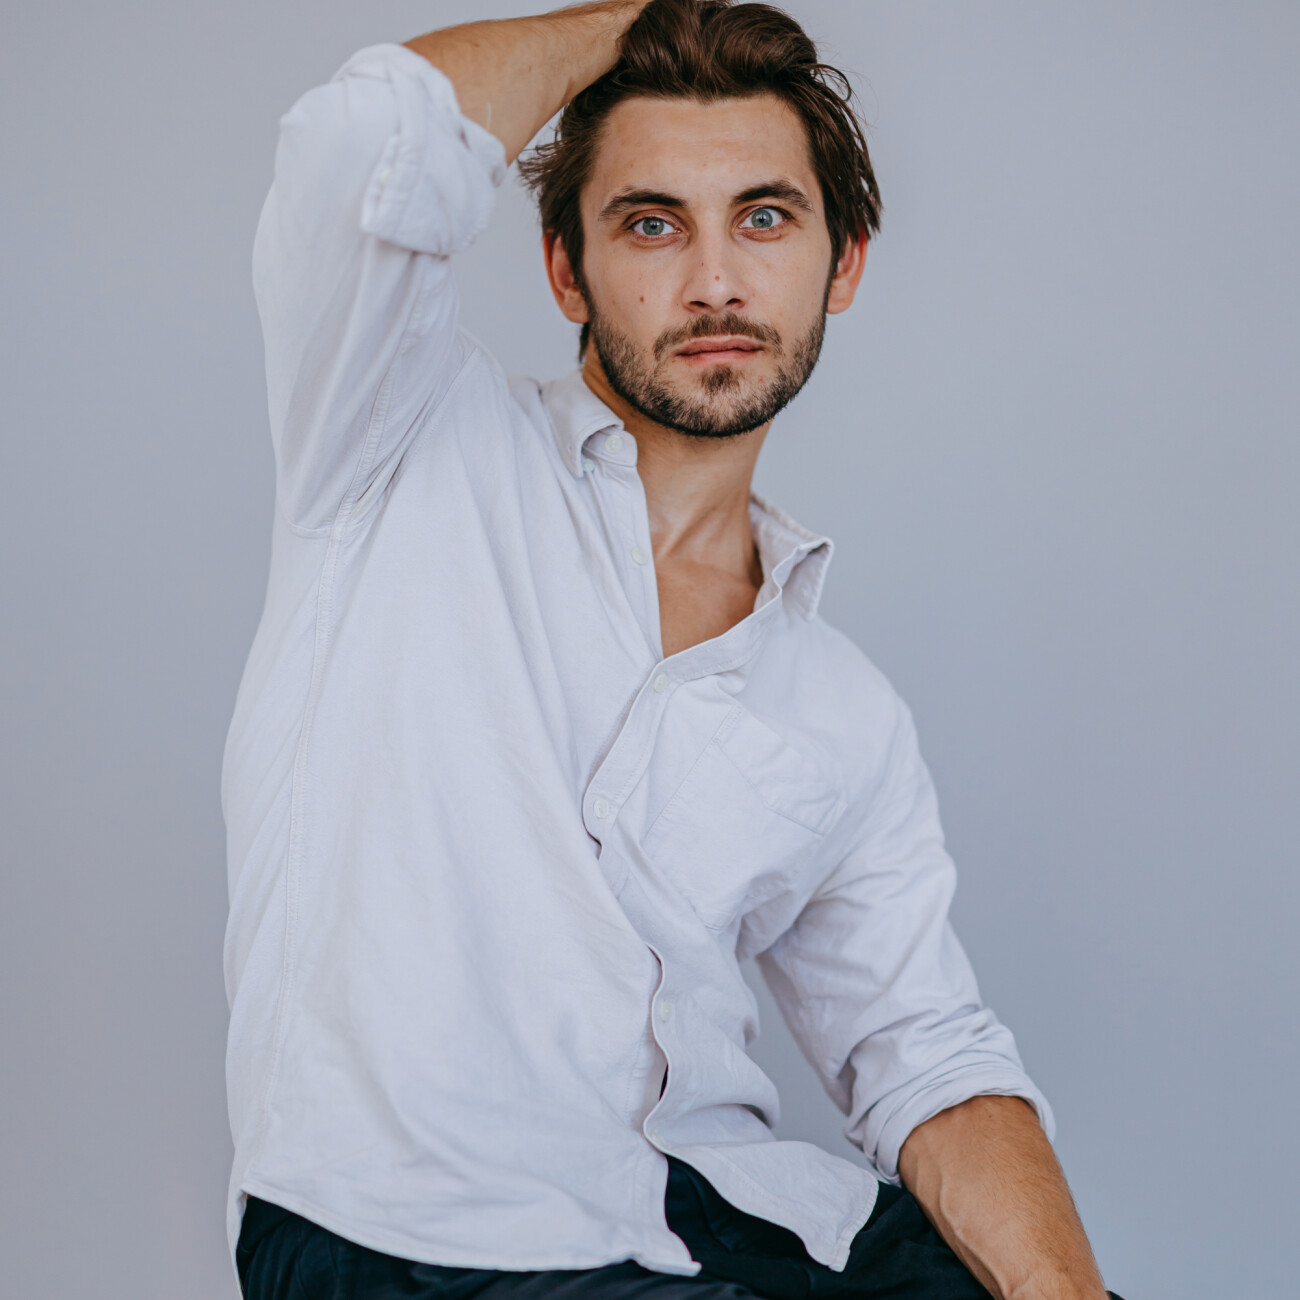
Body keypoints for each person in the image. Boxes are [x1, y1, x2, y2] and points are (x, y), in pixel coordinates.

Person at [222, 2, 1123, 1297]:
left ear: (844, 263)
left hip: (721, 1210)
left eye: (764, 218)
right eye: (652, 224)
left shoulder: (841, 706)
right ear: (566, 271)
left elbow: (928, 1060)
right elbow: (365, 137)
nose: (714, 283)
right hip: (412, 1234)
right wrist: (655, 13)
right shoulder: (392, 444)